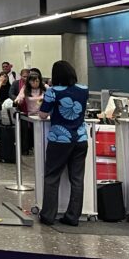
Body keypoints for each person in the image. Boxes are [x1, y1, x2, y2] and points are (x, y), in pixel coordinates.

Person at [37, 61, 89, 227]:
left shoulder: (53, 91)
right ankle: (73, 216)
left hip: (60, 139)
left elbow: (43, 115)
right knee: (77, 179)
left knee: (52, 177)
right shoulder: (84, 89)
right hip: (80, 138)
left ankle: (48, 216)